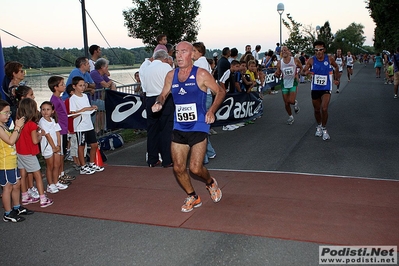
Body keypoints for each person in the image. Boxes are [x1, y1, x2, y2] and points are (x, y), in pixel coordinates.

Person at [151, 41, 225, 212]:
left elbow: (220, 91)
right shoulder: (171, 75)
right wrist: (158, 103)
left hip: (199, 125)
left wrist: (212, 110)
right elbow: (163, 95)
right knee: (177, 167)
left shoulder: (201, 74)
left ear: (192, 55)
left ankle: (210, 183)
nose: (178, 55)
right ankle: (193, 196)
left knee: (195, 168)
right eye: (177, 52)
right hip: (180, 126)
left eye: (183, 52)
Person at [0, 99, 34, 222]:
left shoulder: (4, 126)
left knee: (17, 185)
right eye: (6, 113)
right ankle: (8, 213)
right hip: (4, 163)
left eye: (9, 113)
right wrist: (18, 127)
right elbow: (10, 141)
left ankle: (16, 207)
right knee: (7, 187)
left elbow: (15, 137)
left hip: (12, 160)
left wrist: (18, 128)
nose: (8, 115)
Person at [16, 98, 53, 207]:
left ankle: (25, 196)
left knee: (23, 174)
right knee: (37, 174)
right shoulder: (32, 125)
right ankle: (43, 198)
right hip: (29, 152)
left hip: (20, 151)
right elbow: (35, 140)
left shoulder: (18, 121)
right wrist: (40, 134)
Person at [301, 41, 340, 141]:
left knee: (324, 108)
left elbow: (336, 67)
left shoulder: (329, 59)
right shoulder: (311, 60)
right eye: (316, 50)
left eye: (320, 50)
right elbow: (303, 72)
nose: (318, 52)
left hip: (326, 88)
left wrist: (336, 79)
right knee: (317, 110)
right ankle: (318, 126)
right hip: (315, 88)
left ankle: (324, 128)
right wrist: (306, 72)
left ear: (324, 50)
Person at [142, 50, 173, 168]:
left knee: (152, 131)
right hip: (163, 98)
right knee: (166, 130)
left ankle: (152, 159)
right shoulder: (165, 67)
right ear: (164, 59)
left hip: (149, 98)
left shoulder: (147, 68)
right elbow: (171, 83)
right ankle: (167, 159)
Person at [69, 76, 104, 175]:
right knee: (81, 146)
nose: (83, 87)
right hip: (80, 126)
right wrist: (83, 110)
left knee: (94, 144)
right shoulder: (73, 99)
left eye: (84, 85)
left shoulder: (84, 96)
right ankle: (83, 166)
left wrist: (92, 107)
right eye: (80, 85)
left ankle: (92, 163)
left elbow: (88, 108)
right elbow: (73, 114)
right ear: (74, 86)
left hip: (88, 124)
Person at [192, 42, 217, 163]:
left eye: (194, 51)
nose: (192, 53)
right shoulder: (205, 62)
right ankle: (209, 152)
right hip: (206, 96)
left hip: (201, 97)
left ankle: (203, 156)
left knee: (199, 127)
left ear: (200, 52)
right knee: (202, 126)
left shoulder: (198, 63)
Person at [48, 76, 75, 185]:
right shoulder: (54, 100)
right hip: (59, 130)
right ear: (55, 87)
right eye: (62, 84)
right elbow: (54, 116)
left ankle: (62, 173)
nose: (64, 86)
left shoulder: (60, 98)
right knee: (60, 153)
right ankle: (59, 175)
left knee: (62, 152)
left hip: (63, 128)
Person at [38, 101, 68, 193]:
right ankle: (50, 184)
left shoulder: (53, 120)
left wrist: (58, 145)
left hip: (56, 146)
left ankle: (56, 182)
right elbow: (47, 135)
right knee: (50, 166)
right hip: (48, 147)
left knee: (57, 165)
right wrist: (53, 147)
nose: (45, 112)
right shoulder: (42, 122)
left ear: (52, 111)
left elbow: (58, 133)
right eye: (43, 109)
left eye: (48, 109)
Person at [274, 46, 303, 125]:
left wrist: (298, 73)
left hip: (293, 82)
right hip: (284, 83)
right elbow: (278, 72)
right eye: (282, 51)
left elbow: (301, 67)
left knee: (291, 101)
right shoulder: (280, 63)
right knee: (286, 103)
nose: (283, 52)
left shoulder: (295, 60)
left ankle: (295, 103)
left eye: (285, 50)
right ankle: (290, 117)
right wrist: (276, 74)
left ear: (288, 51)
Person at [90, 58, 117, 135]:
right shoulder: (94, 73)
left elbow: (109, 84)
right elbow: (106, 84)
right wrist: (112, 82)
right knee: (108, 106)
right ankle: (106, 127)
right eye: (107, 67)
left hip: (97, 98)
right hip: (92, 99)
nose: (107, 69)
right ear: (102, 67)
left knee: (98, 114)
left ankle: (100, 130)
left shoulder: (102, 75)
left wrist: (112, 84)